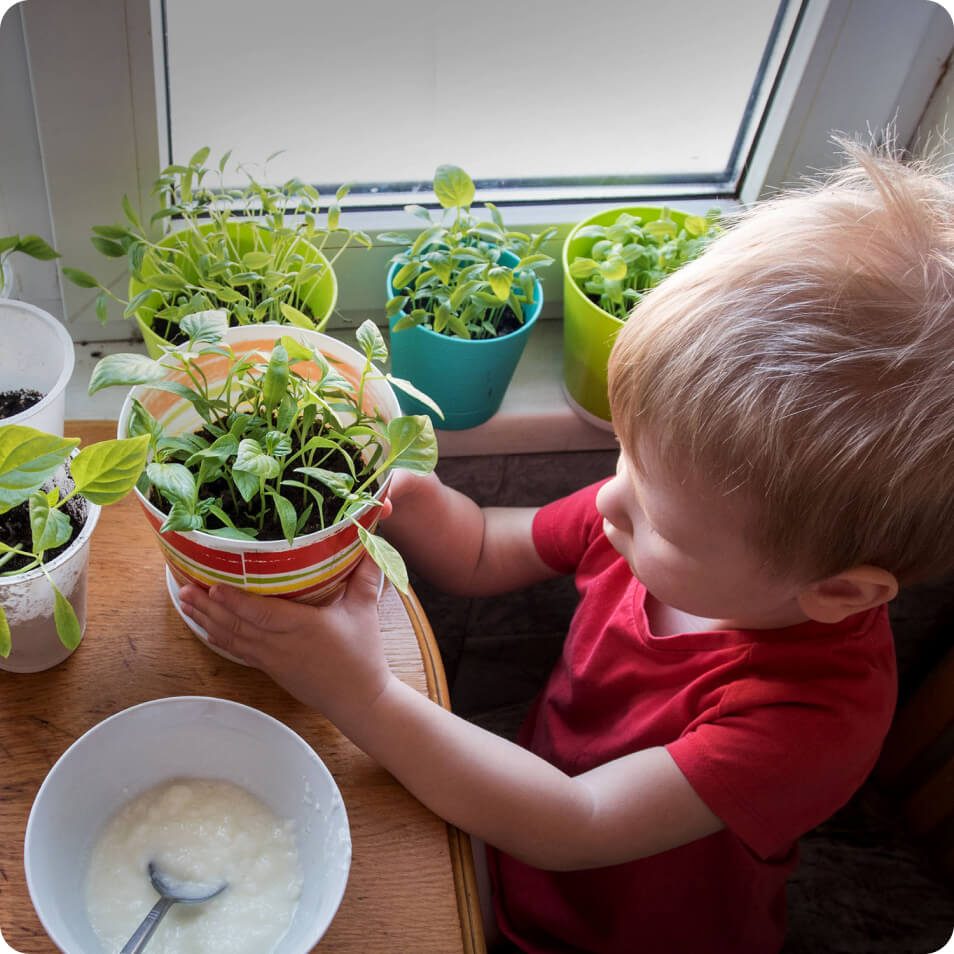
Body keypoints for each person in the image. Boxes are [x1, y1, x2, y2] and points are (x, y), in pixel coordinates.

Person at [177, 142, 954, 953]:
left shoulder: (811, 720)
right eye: (625, 456)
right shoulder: (661, 515)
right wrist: (412, 500)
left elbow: (575, 825)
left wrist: (361, 694)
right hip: (517, 819)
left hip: (628, 926)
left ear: (840, 592)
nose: (610, 501)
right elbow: (481, 552)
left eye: (660, 517)